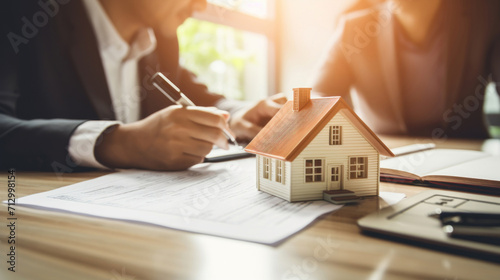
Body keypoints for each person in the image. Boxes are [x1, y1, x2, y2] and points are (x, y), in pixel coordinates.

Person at [0, 0, 286, 172]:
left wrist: (237, 116)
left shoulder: (160, 41)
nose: (200, 5)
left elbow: (197, 95)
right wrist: (117, 142)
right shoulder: (24, 16)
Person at [312, 0, 500, 139]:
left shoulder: (486, 14)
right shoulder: (354, 28)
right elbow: (320, 96)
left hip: (465, 156)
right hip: (387, 158)